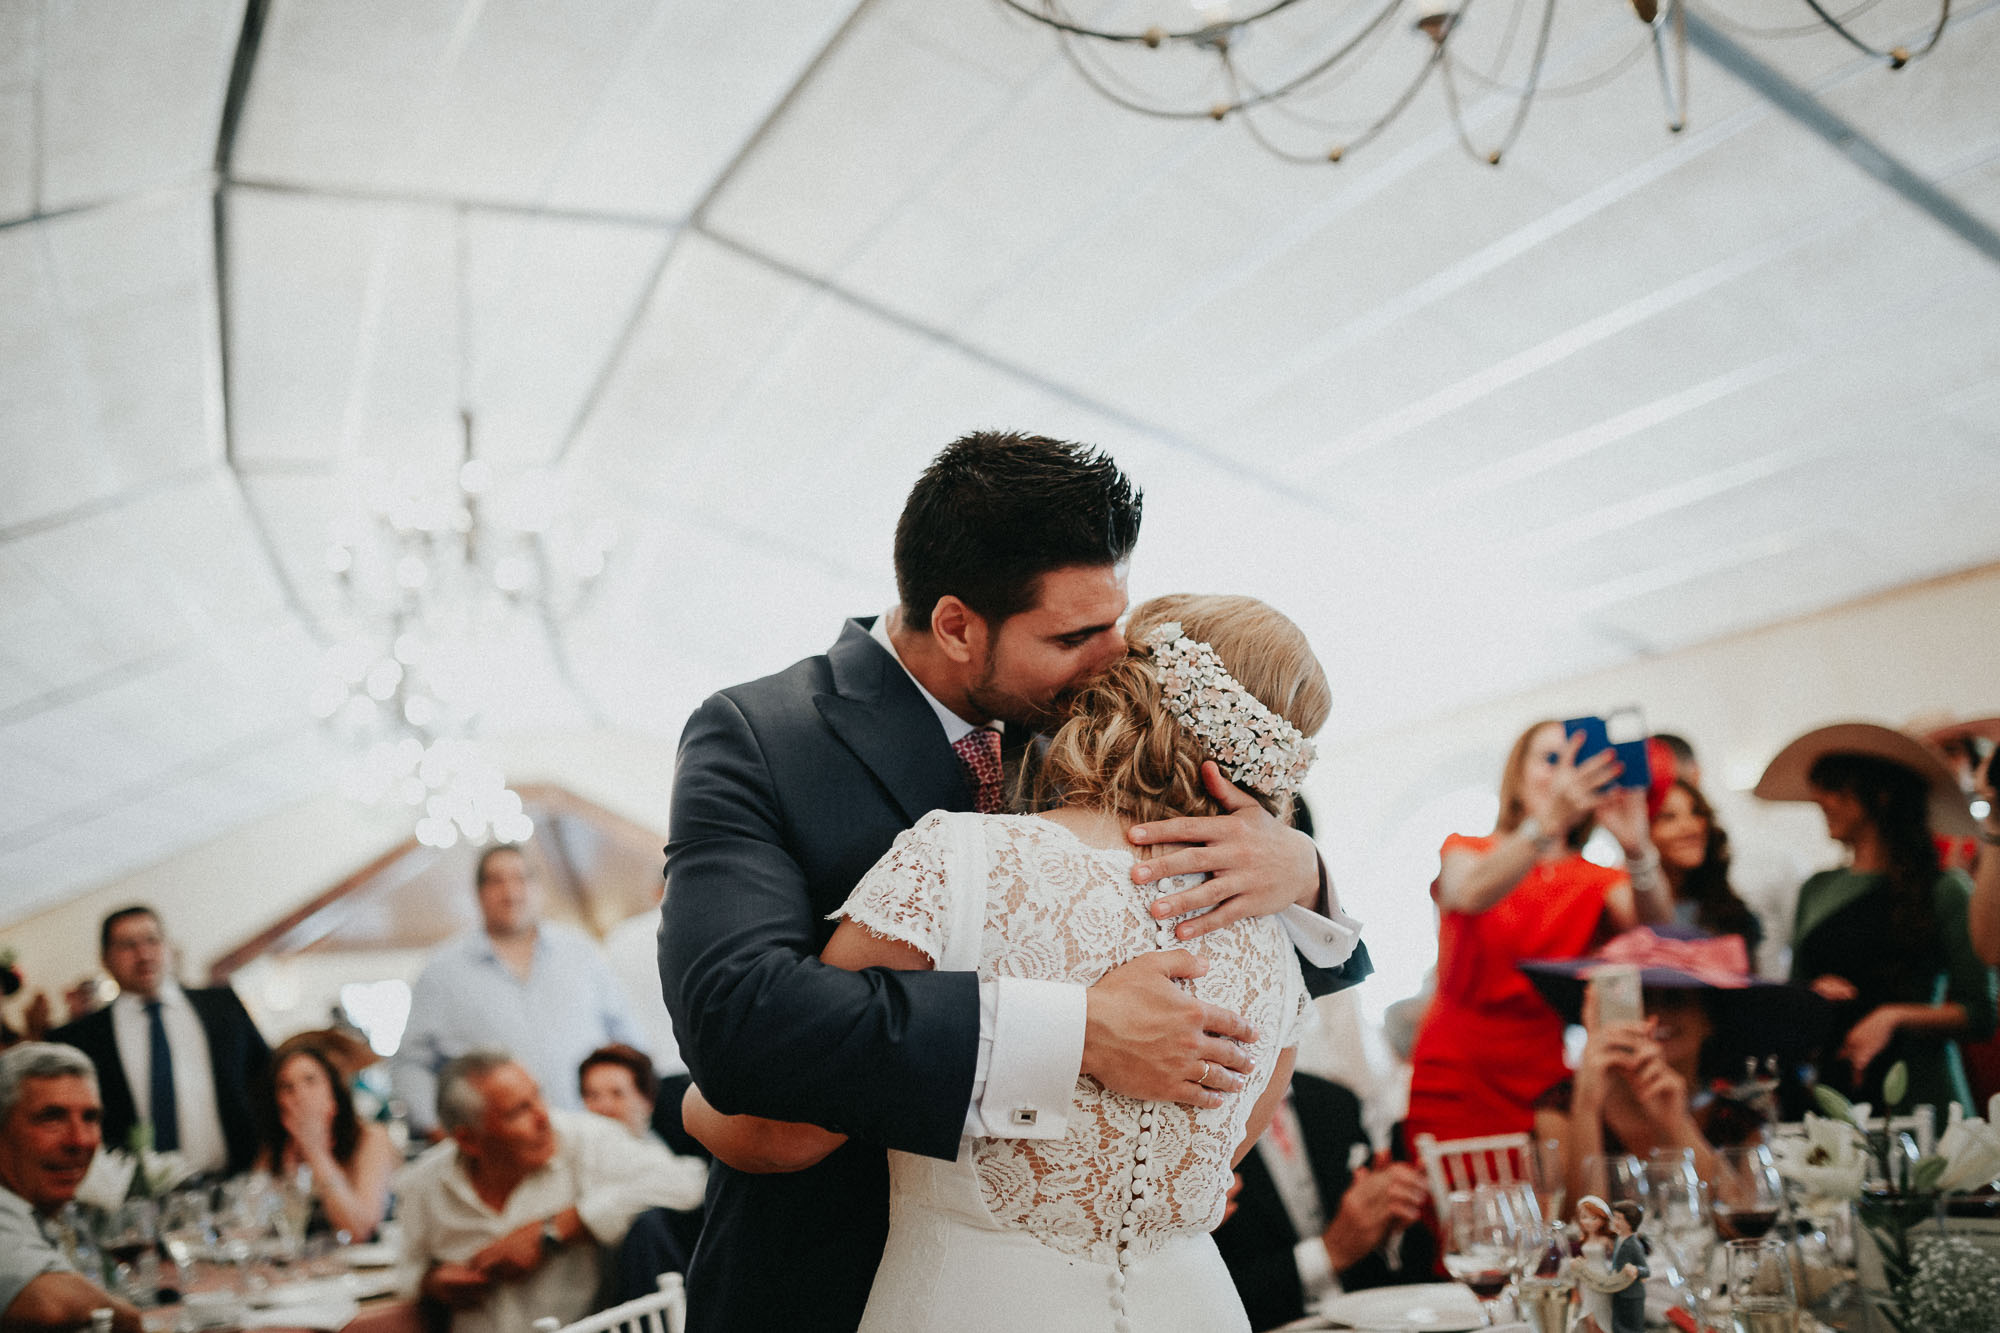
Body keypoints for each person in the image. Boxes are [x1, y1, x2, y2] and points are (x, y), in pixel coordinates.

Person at [659, 434, 1369, 1333]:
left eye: (1117, 622)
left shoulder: (1095, 727)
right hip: (822, 1272)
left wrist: (1309, 872)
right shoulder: (762, 736)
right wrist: (1075, 1027)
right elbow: (742, 1017)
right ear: (958, 624)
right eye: (1076, 635)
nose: (1119, 659)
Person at [1406, 720, 1670, 1145]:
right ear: (1518, 772)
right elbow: (1467, 893)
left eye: (1576, 761)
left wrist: (1638, 847)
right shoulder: (1467, 848)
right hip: (1458, 1063)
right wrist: (1546, 823)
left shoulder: (1596, 879)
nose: (1564, 774)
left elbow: (1658, 934)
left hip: (1542, 1072)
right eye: (1550, 759)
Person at [1756, 722, 1998, 1117]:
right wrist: (1810, 995)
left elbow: (1981, 1014)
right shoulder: (1817, 888)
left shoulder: (1944, 889)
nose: (1821, 799)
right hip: (1835, 1091)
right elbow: (1794, 993)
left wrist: (1894, 1016)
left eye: (1835, 787)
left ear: (1881, 795)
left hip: (1920, 1092)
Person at [1519, 926, 1831, 1213]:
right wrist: (1587, 1104)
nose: (1655, 1016)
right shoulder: (1561, 1108)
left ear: (1709, 1019)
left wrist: (1677, 1124)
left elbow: (1743, 1223)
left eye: (1675, 999)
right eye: (1640, 998)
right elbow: (1574, 1230)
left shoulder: (1737, 1120)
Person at [395, 1052, 707, 1333]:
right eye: (518, 1111)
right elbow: (405, 1270)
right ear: (468, 1140)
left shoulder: (585, 1140)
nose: (543, 1117)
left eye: (538, 1096)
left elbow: (690, 1179)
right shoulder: (424, 1183)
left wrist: (562, 1226)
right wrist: (432, 1283)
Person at [395, 846, 647, 1137]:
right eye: (496, 880)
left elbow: (628, 1040)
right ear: (479, 893)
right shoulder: (441, 973)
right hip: (499, 1149)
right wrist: (435, 1128)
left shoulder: (582, 953)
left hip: (591, 1136)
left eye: (522, 878)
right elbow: (410, 1064)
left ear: (539, 888)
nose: (511, 891)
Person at [46, 906, 269, 1176]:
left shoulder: (223, 1007)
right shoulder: (79, 1037)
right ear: (105, 958)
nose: (143, 954)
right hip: (131, 1198)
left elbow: (265, 1078)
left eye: (152, 940)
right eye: (128, 945)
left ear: (168, 947)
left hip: (235, 1179)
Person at [1211, 1071, 1434, 1331]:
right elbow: (1212, 1293)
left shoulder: (1335, 1100)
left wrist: (1388, 1226)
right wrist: (1328, 1254)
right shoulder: (1191, 1125)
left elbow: (1405, 1264)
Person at [0, 1043, 142, 1333]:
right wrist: (127, 1320)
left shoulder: (40, 1211)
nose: (79, 1141)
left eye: (90, 1118)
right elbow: (47, 1303)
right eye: (51, 1117)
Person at [253, 1037, 399, 1240]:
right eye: (287, 1087)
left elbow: (360, 1230)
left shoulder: (370, 1138)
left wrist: (315, 1152)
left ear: (332, 1089)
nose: (300, 1094)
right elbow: (254, 1224)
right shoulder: (276, 1148)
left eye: (310, 1080)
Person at [1650, 779, 1763, 958]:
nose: (1691, 827)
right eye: (1668, 817)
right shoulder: (1622, 909)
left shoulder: (1732, 913)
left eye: (1696, 812)